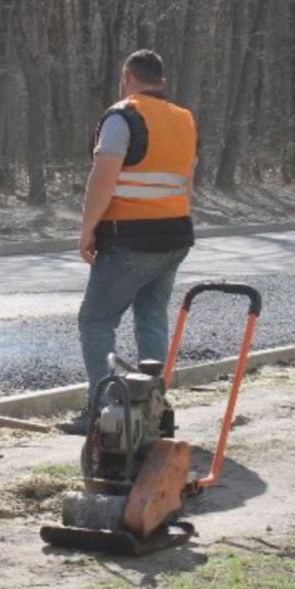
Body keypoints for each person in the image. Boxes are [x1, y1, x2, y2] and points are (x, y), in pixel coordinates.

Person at [62, 49, 197, 434]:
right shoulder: (184, 119)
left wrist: (87, 229)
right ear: (162, 81)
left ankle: (104, 414)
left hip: (129, 239)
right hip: (174, 236)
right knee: (152, 317)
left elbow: (103, 178)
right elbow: (187, 181)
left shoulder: (123, 116)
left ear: (127, 76)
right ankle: (153, 408)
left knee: (96, 320)